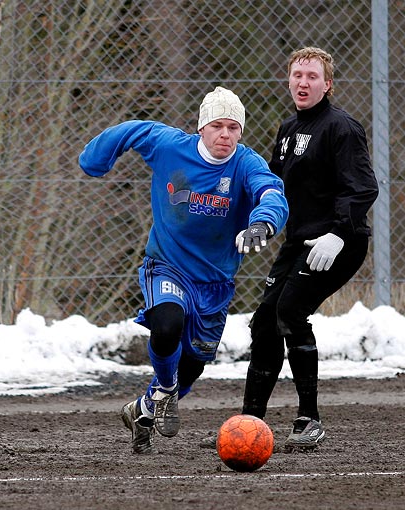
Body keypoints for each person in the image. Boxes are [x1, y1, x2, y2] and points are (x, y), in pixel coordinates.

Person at [78, 87, 289, 454]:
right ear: (202, 128)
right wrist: (95, 160)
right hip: (167, 266)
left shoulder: (246, 163)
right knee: (167, 325)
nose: (225, 134)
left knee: (193, 365)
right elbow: (129, 130)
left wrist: (263, 224)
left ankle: (144, 408)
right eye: (218, 126)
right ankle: (163, 389)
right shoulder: (169, 145)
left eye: (233, 128)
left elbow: (270, 191)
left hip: (215, 281)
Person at [208, 47, 378, 452]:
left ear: (328, 84)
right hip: (298, 242)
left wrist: (339, 233)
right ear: (289, 81)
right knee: (264, 322)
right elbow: (270, 187)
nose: (303, 82)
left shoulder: (342, 128)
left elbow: (363, 187)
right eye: (297, 75)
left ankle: (309, 419)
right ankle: (248, 423)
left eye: (312, 76)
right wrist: (252, 220)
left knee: (290, 311)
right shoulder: (287, 130)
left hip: (338, 242)